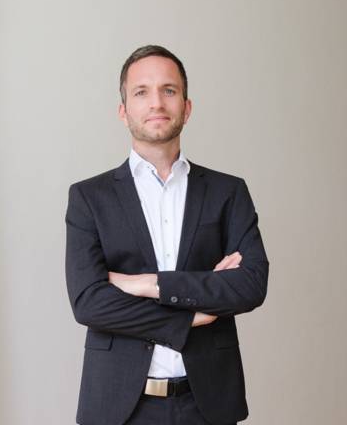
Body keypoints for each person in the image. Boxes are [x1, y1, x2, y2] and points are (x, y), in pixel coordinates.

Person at [65, 45, 269, 425]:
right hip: (120, 407)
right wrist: (191, 315)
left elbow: (251, 284)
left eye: (169, 90)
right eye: (141, 92)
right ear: (123, 111)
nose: (156, 102)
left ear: (187, 108)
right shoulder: (89, 198)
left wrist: (148, 284)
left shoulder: (228, 192)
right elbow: (89, 302)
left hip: (207, 402)